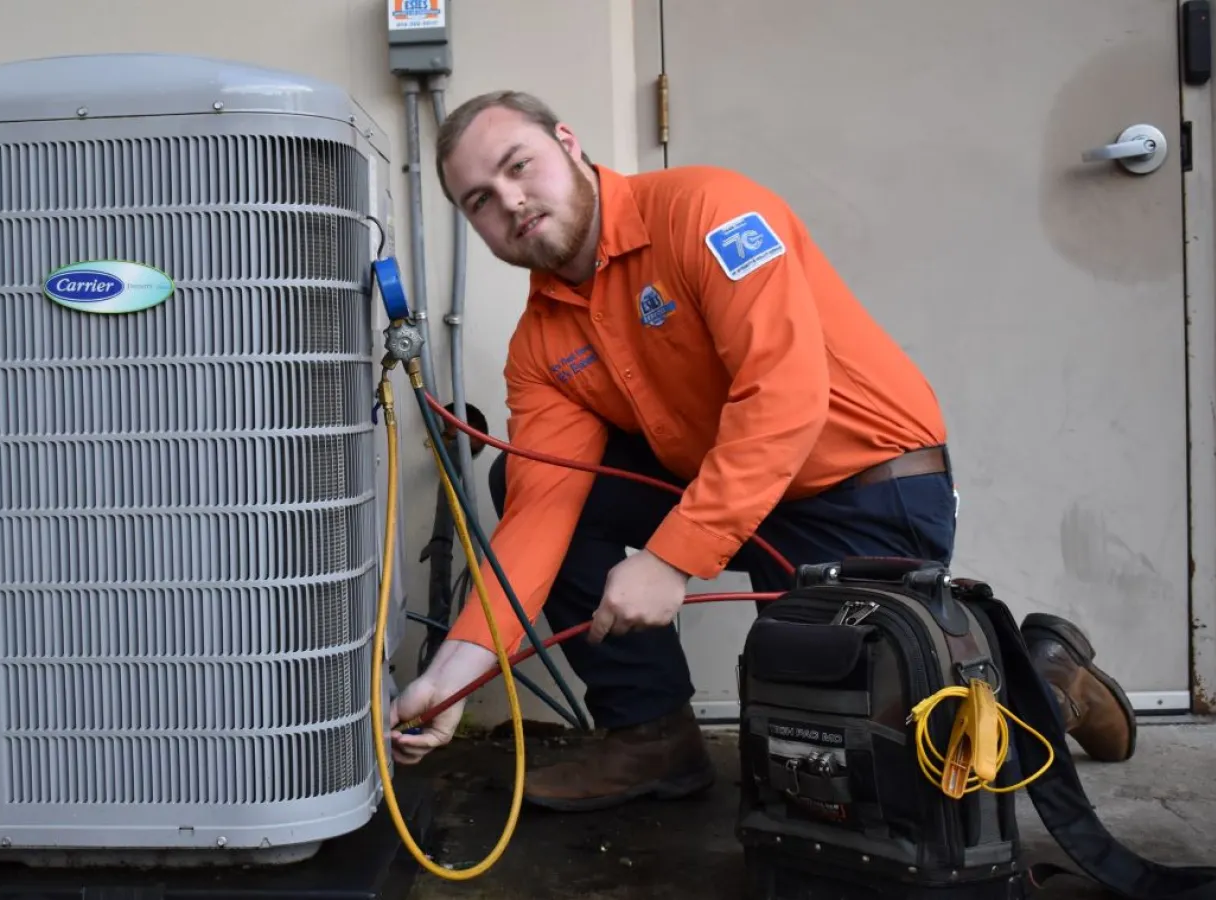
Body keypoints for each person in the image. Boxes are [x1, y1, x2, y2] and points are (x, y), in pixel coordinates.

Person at [386, 90, 1139, 813]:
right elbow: (543, 510)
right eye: (478, 199)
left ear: (569, 144)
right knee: (527, 474)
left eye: (518, 165)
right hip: (735, 496)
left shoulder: (707, 210)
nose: (509, 201)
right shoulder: (541, 344)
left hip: (865, 486)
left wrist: (670, 558)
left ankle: (1046, 678)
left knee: (866, 772)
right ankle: (651, 736)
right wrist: (452, 677)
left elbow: (785, 395)